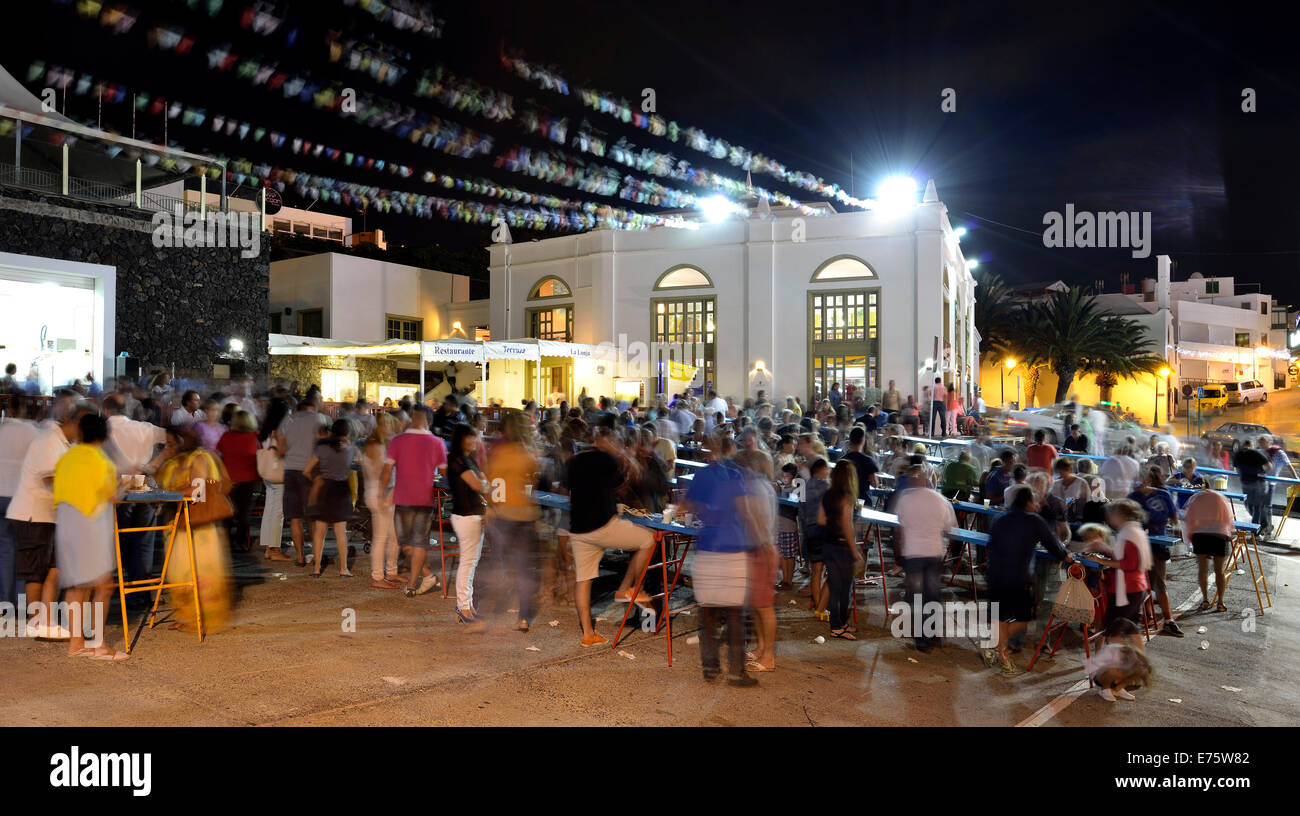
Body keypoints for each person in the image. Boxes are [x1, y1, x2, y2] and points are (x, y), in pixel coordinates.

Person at [566, 426, 656, 647]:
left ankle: (588, 634)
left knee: (583, 580)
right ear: (608, 440)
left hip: (578, 528)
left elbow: (572, 489)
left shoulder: (574, 460)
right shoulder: (608, 458)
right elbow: (625, 485)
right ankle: (627, 587)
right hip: (602, 525)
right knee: (648, 539)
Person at [6, 398, 86, 639]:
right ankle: (37, 622)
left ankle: (44, 620)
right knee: (35, 572)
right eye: (81, 427)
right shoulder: (49, 440)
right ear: (71, 421)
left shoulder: (62, 442)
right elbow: (49, 478)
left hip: (48, 515)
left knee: (50, 568)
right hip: (33, 513)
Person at [53, 413, 129, 659]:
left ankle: (76, 643)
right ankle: (99, 644)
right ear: (104, 435)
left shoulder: (66, 458)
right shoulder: (101, 460)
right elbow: (111, 496)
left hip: (65, 526)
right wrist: (125, 486)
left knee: (76, 586)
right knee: (104, 585)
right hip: (89, 526)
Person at [684, 433, 756, 686]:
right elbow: (745, 512)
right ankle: (736, 671)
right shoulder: (736, 475)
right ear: (730, 449)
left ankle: (710, 666)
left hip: (707, 546)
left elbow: (687, 506)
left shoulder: (701, 475)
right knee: (735, 614)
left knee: (707, 612)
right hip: (733, 547)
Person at [982, 484, 1075, 675]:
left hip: (995, 574)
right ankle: (999, 648)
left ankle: (998, 648)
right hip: (1017, 576)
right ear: (1027, 502)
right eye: (1034, 502)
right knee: (1025, 617)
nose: (1037, 505)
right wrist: (1067, 557)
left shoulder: (1000, 518)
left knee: (1000, 616)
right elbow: (1052, 544)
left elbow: (991, 544)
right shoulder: (1034, 520)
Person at [155, 426, 234, 632]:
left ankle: (205, 616)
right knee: (178, 570)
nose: (168, 447)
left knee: (200, 569)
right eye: (167, 443)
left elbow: (199, 489)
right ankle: (185, 614)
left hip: (199, 526)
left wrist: (169, 494)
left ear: (183, 441)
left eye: (171, 443)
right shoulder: (172, 462)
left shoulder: (200, 458)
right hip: (177, 521)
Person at [483, 412, 542, 632]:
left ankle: (491, 611)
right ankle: (523, 617)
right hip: (524, 515)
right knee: (525, 568)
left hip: (502, 515)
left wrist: (491, 506)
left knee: (500, 562)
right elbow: (533, 480)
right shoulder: (525, 452)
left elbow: (490, 482)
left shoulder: (497, 453)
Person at [384, 405, 447, 597]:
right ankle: (427, 576)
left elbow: (387, 470)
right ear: (428, 420)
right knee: (413, 545)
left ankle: (412, 585)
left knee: (409, 545)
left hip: (404, 498)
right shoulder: (437, 443)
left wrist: (380, 492)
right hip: (424, 499)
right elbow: (444, 472)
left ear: (412, 418)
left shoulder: (398, 441)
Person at [892, 477, 957, 652]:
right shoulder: (941, 500)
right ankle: (933, 633)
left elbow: (899, 525)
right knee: (932, 594)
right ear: (931, 485)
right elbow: (951, 530)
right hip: (933, 553)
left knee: (918, 597)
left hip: (913, 553)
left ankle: (922, 640)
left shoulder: (906, 499)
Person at [1092, 499, 1152, 667]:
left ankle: (1122, 672)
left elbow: (1129, 564)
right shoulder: (1133, 530)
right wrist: (1104, 549)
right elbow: (1125, 557)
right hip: (1136, 587)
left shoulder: (1128, 534)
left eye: (1112, 513)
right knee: (1132, 629)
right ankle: (1140, 667)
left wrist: (1101, 561)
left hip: (1126, 589)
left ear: (1121, 515)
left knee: (1112, 632)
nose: (1109, 517)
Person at [734, 449, 778, 672]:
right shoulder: (760, 486)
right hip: (758, 548)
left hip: (760, 549)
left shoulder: (755, 488)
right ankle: (762, 648)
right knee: (756, 603)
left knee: (763, 605)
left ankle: (768, 656)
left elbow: (756, 521)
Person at [444, 421, 488, 623]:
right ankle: (463, 606)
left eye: (474, 436)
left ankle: (466, 605)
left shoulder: (468, 460)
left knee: (472, 561)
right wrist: (484, 484)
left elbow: (482, 481)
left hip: (473, 513)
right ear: (460, 439)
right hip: (466, 514)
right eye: (468, 437)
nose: (473, 440)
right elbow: (479, 484)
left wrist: (484, 483)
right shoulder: (457, 461)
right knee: (468, 562)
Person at [279, 394, 329, 566]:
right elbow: (325, 444)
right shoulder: (320, 419)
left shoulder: (288, 421)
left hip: (290, 471)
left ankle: (300, 556)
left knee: (295, 517)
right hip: (310, 471)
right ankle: (317, 556)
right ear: (313, 406)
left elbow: (280, 448)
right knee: (313, 517)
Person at [819, 457, 864, 641]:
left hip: (828, 544)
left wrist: (833, 522)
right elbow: (847, 525)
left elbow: (820, 519)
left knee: (835, 587)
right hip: (842, 547)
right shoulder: (847, 497)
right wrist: (855, 551)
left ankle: (839, 624)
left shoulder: (828, 494)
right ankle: (838, 626)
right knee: (844, 589)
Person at [303, 420, 356, 578]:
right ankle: (343, 569)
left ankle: (317, 568)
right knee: (341, 532)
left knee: (320, 531)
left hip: (324, 489)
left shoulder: (322, 448)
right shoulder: (351, 449)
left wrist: (317, 480)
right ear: (347, 433)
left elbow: (306, 471)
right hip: (341, 490)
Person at [0, 400, 39, 607]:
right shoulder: (32, 431)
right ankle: (21, 602)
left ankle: (4, 600)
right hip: (20, 497)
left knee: (5, 550)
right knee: (24, 550)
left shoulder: (2, 428)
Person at [361, 413, 402, 588]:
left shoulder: (378, 445)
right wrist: (383, 494)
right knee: (381, 537)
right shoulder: (376, 446)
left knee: (393, 536)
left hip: (381, 492)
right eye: (387, 425)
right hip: (381, 494)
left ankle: (391, 571)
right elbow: (381, 473)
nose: (390, 428)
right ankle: (377, 576)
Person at [1181, 487, 1233, 612]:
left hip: (1200, 535)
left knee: (1202, 570)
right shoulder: (1221, 497)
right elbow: (1228, 518)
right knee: (1219, 571)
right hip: (1219, 535)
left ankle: (1205, 600)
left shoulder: (1195, 497)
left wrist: (1190, 538)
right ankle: (1220, 602)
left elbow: (1188, 518)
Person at [216, 410, 260, 554]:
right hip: (249, 479)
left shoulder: (226, 437)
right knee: (244, 513)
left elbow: (219, 452)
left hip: (229, 479)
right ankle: (241, 543)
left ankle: (226, 542)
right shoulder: (254, 437)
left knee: (228, 511)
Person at [798, 458, 832, 619]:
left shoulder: (803, 486)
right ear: (822, 469)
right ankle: (821, 607)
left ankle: (819, 607)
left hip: (809, 531)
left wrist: (805, 532)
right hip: (823, 530)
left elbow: (801, 511)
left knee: (816, 570)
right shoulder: (826, 486)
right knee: (828, 569)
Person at [1233, 440, 1272, 531]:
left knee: (1249, 504)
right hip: (1258, 482)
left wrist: (1244, 472)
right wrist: (1261, 471)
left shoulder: (1238, 454)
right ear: (1251, 445)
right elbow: (1269, 466)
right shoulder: (1255, 453)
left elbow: (1237, 470)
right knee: (1257, 506)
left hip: (1245, 482)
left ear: (1243, 445)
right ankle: (1259, 528)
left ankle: (1259, 527)